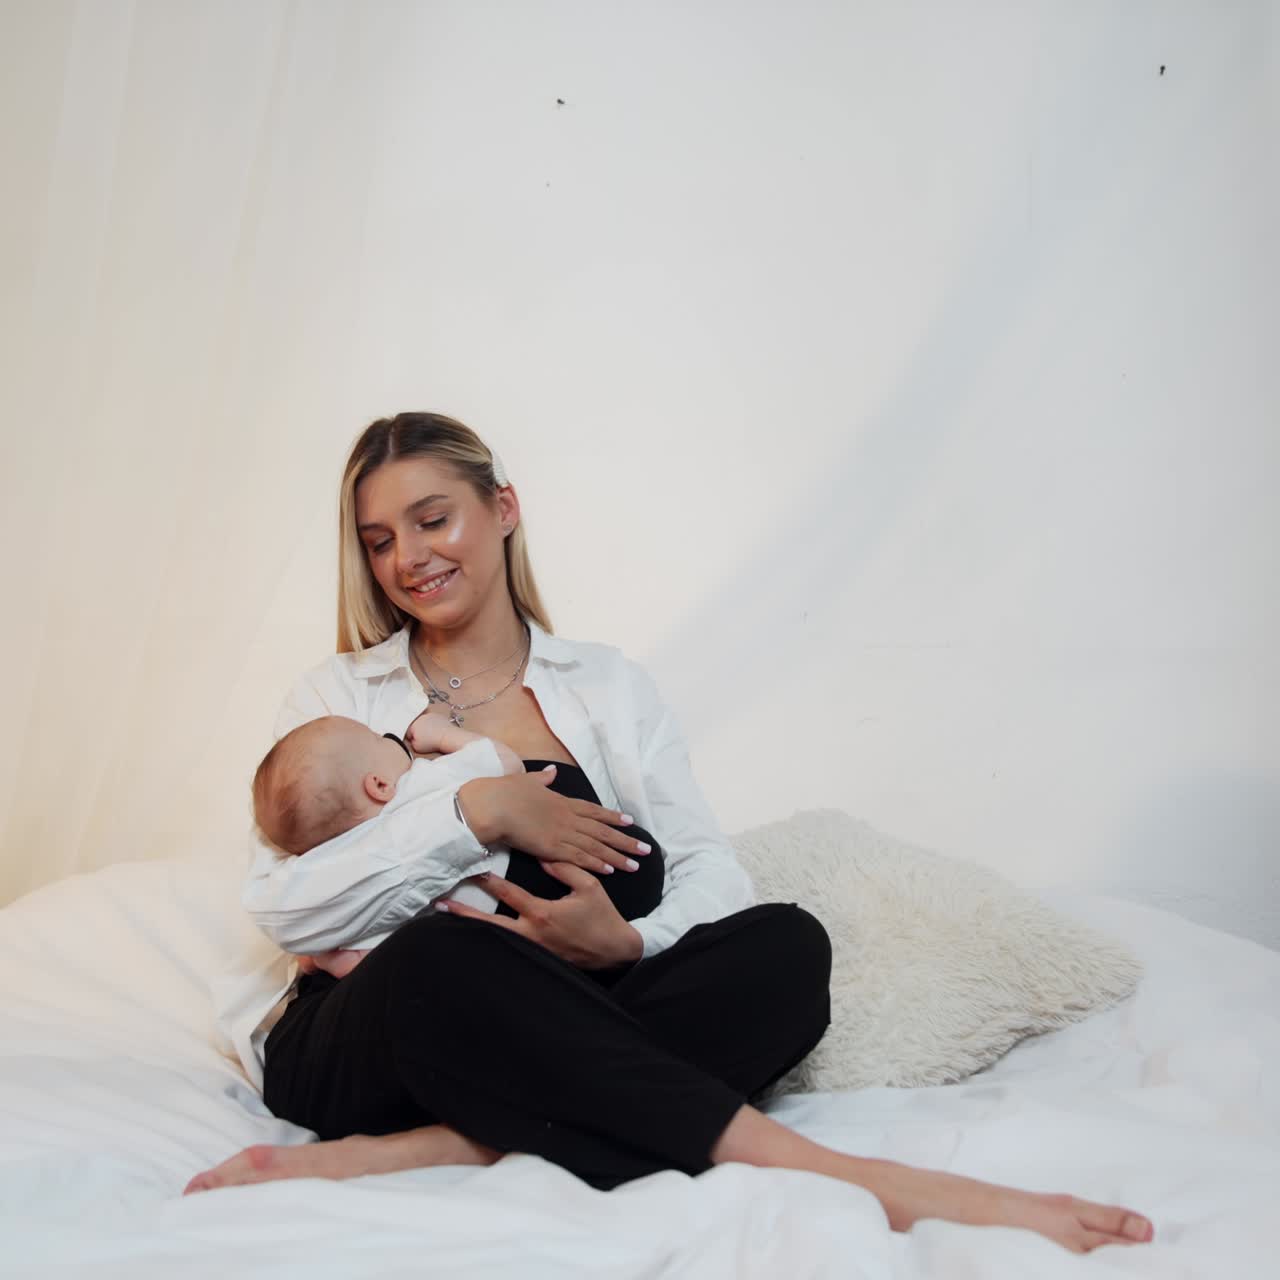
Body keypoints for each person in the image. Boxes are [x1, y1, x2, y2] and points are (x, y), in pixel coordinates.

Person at [197, 412, 1154, 1255]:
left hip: (568, 1006)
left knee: (787, 946)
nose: (408, 556)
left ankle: (452, 1144)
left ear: (503, 508)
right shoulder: (337, 699)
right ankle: (855, 1177)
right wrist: (474, 812)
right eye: (378, 540)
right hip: (396, 1032)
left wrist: (627, 941)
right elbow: (283, 905)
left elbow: (707, 868)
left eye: (431, 518)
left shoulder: (609, 687)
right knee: (447, 957)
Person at [251, 710, 664, 979]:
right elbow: (505, 764)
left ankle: (329, 959)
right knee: (641, 862)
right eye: (385, 740)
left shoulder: (336, 862)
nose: (398, 744)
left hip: (461, 941)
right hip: (542, 893)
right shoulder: (420, 784)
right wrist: (442, 734)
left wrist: (326, 955)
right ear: (378, 785)